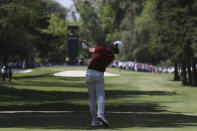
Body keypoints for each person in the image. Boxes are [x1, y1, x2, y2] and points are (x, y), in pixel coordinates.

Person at [82, 40, 123, 127]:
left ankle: (94, 121)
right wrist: (88, 44)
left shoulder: (101, 48)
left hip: (89, 73)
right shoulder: (111, 57)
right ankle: (100, 114)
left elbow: (90, 50)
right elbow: (94, 49)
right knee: (100, 96)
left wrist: (84, 46)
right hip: (99, 74)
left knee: (92, 99)